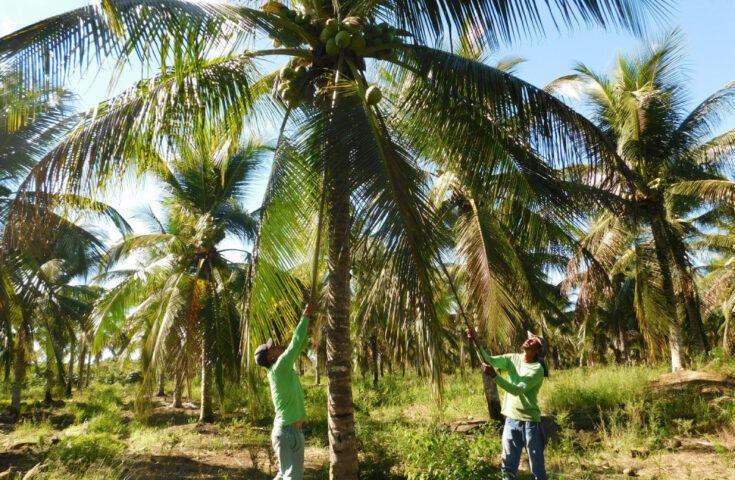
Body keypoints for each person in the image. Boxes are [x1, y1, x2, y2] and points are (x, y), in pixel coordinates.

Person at [467, 328, 549, 480]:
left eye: (533, 340)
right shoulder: (513, 358)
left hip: (531, 424)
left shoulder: (537, 370)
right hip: (511, 420)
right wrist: (476, 341)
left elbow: (517, 390)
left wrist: (494, 376)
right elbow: (489, 360)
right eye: (529, 338)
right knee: (507, 468)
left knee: (537, 470)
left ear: (538, 350)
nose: (528, 340)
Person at [255, 299, 316, 480]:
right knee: (291, 478)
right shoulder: (279, 368)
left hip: (290, 433)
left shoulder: (279, 370)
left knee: (284, 475)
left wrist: (307, 330)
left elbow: (297, 347)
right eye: (271, 348)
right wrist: (304, 318)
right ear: (270, 357)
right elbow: (293, 346)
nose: (275, 347)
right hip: (288, 434)